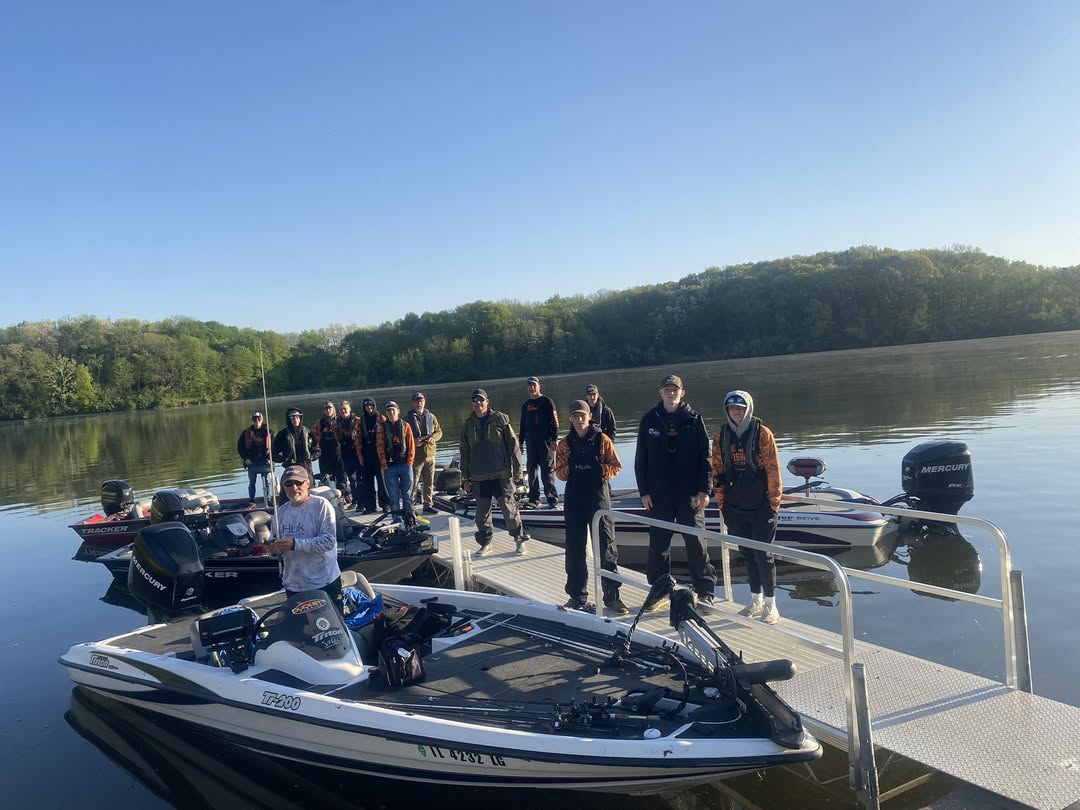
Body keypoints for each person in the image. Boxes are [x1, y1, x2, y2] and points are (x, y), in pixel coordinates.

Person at [634, 374, 716, 605]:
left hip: (689, 494)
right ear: (660, 392)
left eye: (675, 389)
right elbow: (641, 459)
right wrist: (644, 492)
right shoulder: (649, 420)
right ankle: (659, 588)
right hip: (659, 494)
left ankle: (705, 591)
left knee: (696, 543)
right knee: (658, 545)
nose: (671, 393)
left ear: (682, 393)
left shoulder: (694, 419)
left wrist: (705, 490)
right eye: (667, 389)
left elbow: (705, 458)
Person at [712, 390, 783, 624]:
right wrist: (722, 504)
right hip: (735, 506)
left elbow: (773, 469)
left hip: (762, 505)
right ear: (727, 411)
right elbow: (717, 472)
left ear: (748, 409)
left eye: (740, 408)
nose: (736, 412)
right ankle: (755, 600)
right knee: (747, 555)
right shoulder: (720, 436)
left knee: (764, 555)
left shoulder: (763, 434)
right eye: (732, 408)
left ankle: (771, 605)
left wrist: (773, 504)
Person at [555, 399, 626, 615]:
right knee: (574, 550)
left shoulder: (602, 440)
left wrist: (600, 469)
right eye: (574, 416)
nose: (578, 420)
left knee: (606, 548)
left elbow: (616, 467)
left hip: (598, 498)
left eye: (582, 416)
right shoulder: (564, 444)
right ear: (570, 419)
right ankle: (577, 596)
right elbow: (559, 472)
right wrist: (571, 469)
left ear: (589, 417)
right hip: (575, 499)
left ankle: (612, 597)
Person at [460, 388, 530, 557]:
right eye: (475, 400)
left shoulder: (501, 420)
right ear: (472, 403)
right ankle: (486, 543)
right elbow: (464, 452)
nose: (478, 403)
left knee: (509, 508)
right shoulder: (468, 424)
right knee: (482, 513)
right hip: (478, 476)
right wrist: (465, 478)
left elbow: (514, 448)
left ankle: (518, 540)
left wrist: (518, 472)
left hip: (501, 474)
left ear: (487, 401)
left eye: (481, 400)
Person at [266, 465, 342, 613]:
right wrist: (272, 550)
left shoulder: (321, 505)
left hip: (323, 582)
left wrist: (294, 544)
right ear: (283, 487)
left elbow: (328, 542)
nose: (294, 487)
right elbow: (274, 551)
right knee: (301, 633)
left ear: (307, 483)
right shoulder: (279, 513)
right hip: (293, 585)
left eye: (298, 483)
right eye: (288, 483)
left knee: (333, 628)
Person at [519, 376, 560, 508]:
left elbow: (555, 422)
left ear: (539, 386)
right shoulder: (525, 405)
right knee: (532, 471)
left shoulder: (547, 401)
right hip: (531, 443)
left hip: (546, 443)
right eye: (530, 385)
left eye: (534, 385)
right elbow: (522, 426)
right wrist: (520, 443)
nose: (532, 388)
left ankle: (552, 497)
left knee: (547, 471)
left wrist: (554, 439)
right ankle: (534, 499)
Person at [376, 401, 416, 526]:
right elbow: (380, 447)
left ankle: (409, 518)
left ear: (398, 411)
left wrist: (409, 462)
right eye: (388, 410)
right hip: (390, 467)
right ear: (386, 413)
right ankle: (396, 521)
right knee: (393, 497)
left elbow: (411, 445)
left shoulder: (406, 425)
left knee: (407, 494)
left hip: (405, 465)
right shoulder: (381, 428)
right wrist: (384, 464)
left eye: (393, 410)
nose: (391, 412)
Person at [406, 392, 442, 515]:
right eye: (417, 401)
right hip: (416, 456)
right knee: (414, 483)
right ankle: (412, 507)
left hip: (430, 455)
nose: (419, 403)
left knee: (429, 483)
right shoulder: (407, 419)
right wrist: (413, 442)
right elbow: (404, 437)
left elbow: (439, 432)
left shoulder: (431, 416)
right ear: (413, 403)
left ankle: (427, 505)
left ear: (424, 402)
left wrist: (434, 438)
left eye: (421, 401)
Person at [353, 397, 389, 514]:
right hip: (366, 453)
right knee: (368, 481)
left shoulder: (381, 418)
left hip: (379, 454)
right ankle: (370, 506)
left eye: (371, 405)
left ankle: (385, 504)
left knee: (382, 481)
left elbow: (387, 436)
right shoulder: (361, 420)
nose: (369, 408)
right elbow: (358, 439)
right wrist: (359, 455)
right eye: (367, 406)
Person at [312, 401, 352, 504]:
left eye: (330, 408)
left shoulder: (338, 421)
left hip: (337, 452)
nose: (328, 410)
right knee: (326, 477)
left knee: (342, 476)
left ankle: (344, 495)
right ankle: (329, 498)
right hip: (324, 453)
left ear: (333, 409)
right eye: (326, 409)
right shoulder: (318, 423)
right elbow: (314, 438)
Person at [271, 407, 318, 482]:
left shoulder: (308, 432)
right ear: (288, 419)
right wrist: (283, 459)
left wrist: (311, 457)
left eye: (297, 417)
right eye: (292, 417)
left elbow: (317, 450)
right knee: (292, 487)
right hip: (291, 467)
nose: (295, 420)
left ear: (300, 418)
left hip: (306, 466)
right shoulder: (282, 434)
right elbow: (273, 453)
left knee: (309, 487)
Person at [236, 410, 273, 504]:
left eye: (259, 419)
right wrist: (245, 459)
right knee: (252, 482)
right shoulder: (246, 433)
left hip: (265, 461)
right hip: (252, 462)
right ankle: (252, 500)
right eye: (255, 420)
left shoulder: (270, 432)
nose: (257, 422)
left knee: (267, 483)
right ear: (252, 421)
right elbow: (240, 447)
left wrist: (271, 459)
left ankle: (268, 499)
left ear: (262, 420)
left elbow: (275, 446)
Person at [338, 400, 361, 509]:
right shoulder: (337, 423)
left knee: (360, 478)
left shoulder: (357, 421)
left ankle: (362, 501)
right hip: (345, 453)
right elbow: (336, 436)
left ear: (349, 409)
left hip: (357, 452)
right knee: (351, 478)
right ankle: (355, 501)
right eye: (341, 410)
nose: (343, 411)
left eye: (345, 409)